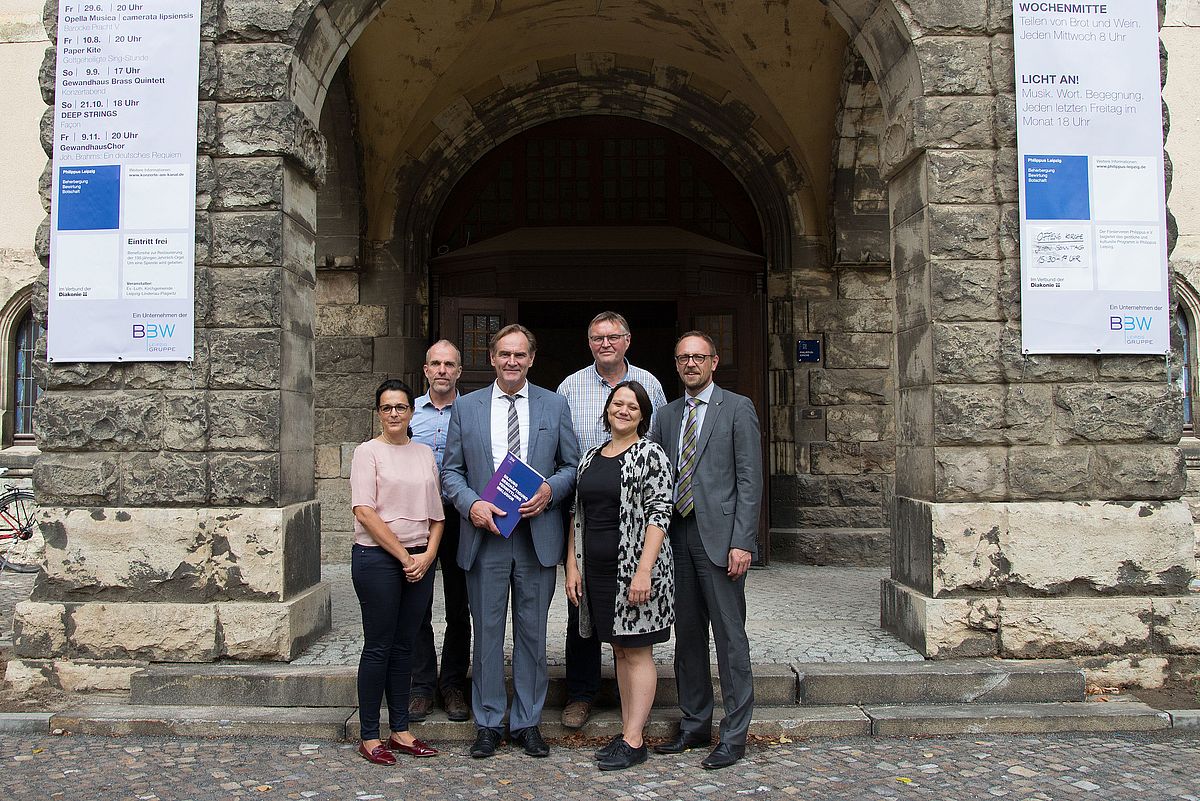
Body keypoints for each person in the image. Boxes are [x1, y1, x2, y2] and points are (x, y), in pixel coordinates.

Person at [441, 324, 580, 759]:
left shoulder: (554, 405)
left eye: (520, 354)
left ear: (531, 359)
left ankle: (527, 722)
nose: (512, 361)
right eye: (504, 354)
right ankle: (487, 722)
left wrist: (550, 491)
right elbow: (450, 472)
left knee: (533, 635)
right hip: (487, 538)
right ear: (492, 358)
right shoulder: (467, 407)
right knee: (486, 633)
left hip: (537, 536)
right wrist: (470, 506)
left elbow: (571, 466)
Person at [649, 331, 762, 770]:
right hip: (677, 536)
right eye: (683, 358)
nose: (691, 364)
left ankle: (734, 735)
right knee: (688, 637)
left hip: (721, 540)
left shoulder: (737, 408)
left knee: (731, 638)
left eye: (699, 357)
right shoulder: (666, 414)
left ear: (714, 362)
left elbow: (750, 481)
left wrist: (742, 542)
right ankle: (695, 724)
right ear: (676, 364)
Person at [556, 311, 668, 730]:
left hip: (634, 547)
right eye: (598, 337)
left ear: (627, 340)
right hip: (591, 537)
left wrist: (645, 568)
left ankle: (632, 729)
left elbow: (657, 499)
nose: (606, 343)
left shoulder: (650, 386)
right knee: (582, 622)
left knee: (631, 642)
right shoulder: (570, 387)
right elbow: (576, 505)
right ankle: (582, 695)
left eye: (613, 336)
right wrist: (571, 559)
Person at [564, 381, 674, 771]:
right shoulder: (591, 456)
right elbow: (577, 514)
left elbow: (661, 513)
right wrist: (572, 566)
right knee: (620, 649)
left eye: (632, 406)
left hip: (636, 571)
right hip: (596, 572)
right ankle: (629, 731)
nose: (623, 410)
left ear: (643, 415)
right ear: (607, 409)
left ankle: (633, 738)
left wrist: (644, 571)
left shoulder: (651, 455)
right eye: (617, 403)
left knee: (638, 651)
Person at [350, 378, 444, 765]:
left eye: (401, 407)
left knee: (406, 646)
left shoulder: (424, 453)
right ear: (379, 412)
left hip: (420, 560)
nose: (394, 414)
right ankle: (370, 735)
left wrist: (427, 557)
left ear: (411, 412)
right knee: (379, 646)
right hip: (379, 560)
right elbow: (364, 512)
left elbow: (437, 515)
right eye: (387, 407)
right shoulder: (367, 452)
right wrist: (405, 557)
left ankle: (401, 729)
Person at [409, 340, 471, 723]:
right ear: (426, 370)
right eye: (436, 363)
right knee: (418, 605)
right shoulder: (408, 411)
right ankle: (420, 685)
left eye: (450, 364)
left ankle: (452, 685)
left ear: (459, 371)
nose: (443, 370)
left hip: (460, 517)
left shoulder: (474, 412)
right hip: (417, 519)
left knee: (459, 607)